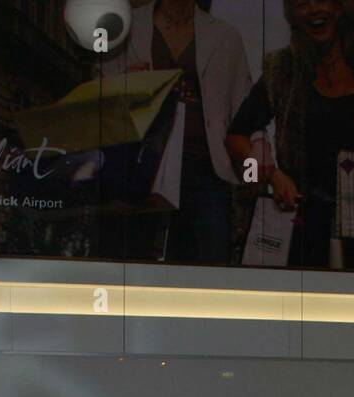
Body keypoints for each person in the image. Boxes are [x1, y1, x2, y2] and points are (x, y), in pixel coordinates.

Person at [225, 0, 354, 268]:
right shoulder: (283, 70)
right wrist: (272, 175)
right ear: (293, 16)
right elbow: (235, 137)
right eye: (302, 4)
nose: (313, 10)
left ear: (341, 8)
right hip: (305, 223)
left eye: (321, 0)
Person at [99, 0, 252, 264]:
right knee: (133, 264)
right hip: (139, 167)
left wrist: (255, 169)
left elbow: (245, 113)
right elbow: (101, 93)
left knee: (208, 271)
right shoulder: (125, 26)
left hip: (206, 170)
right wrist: (127, 84)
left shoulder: (227, 36)